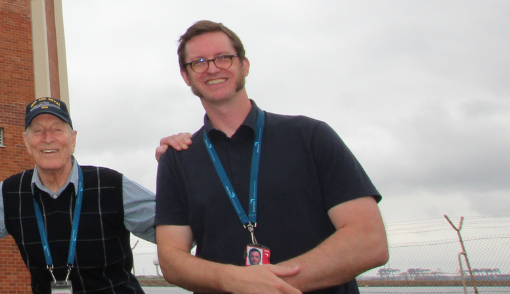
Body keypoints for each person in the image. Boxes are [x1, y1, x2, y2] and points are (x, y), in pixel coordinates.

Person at [154, 21, 388, 294]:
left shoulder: (311, 136)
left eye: (224, 58)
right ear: (186, 76)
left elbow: (369, 241)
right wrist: (232, 280)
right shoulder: (178, 158)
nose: (213, 68)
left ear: (245, 65)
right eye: (199, 62)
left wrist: (270, 286)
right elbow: (171, 260)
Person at [0, 97, 156, 294]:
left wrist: (184, 166)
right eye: (37, 131)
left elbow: (173, 225)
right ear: (26, 141)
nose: (47, 138)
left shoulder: (111, 185)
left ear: (73, 139)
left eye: (57, 129)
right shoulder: (12, 193)